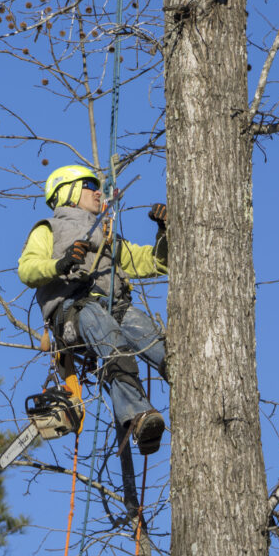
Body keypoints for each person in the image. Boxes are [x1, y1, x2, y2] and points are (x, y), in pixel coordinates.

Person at [18, 164, 170, 454]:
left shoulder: (106, 234)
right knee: (106, 332)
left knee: (147, 333)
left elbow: (156, 262)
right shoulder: (49, 229)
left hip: (113, 308)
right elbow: (27, 269)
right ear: (69, 192)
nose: (98, 192)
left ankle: (181, 373)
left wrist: (164, 232)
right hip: (73, 313)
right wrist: (59, 265)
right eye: (90, 185)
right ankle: (138, 416)